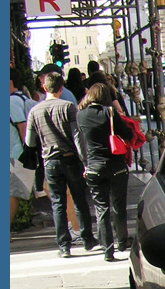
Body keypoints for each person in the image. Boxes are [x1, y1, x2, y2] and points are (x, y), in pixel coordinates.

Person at [24, 71, 96, 258]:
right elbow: (77, 136)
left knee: (57, 203)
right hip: (70, 158)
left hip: (50, 161)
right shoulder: (69, 107)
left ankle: (64, 246)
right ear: (61, 87)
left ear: (44, 87)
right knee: (80, 200)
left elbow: (30, 142)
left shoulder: (34, 111)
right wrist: (84, 160)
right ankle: (87, 238)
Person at [77, 82, 131, 262]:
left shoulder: (80, 115)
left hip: (93, 167)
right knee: (118, 207)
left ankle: (107, 250)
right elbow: (127, 134)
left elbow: (80, 143)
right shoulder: (109, 113)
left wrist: (85, 164)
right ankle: (122, 241)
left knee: (101, 209)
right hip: (115, 166)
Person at [10, 71, 36, 223]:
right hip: (22, 153)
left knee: (11, 194)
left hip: (16, 155)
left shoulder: (11, 102)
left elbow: (22, 126)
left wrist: (27, 149)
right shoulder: (23, 97)